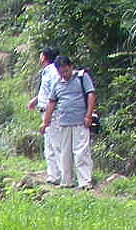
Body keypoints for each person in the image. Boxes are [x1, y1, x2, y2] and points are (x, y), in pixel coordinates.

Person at [40, 55, 96, 191]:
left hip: (80, 122)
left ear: (71, 67)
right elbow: (51, 103)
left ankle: (85, 181)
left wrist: (88, 115)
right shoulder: (57, 83)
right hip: (63, 123)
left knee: (81, 151)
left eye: (66, 71)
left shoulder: (82, 77)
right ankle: (67, 181)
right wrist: (45, 122)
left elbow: (91, 95)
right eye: (61, 72)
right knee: (64, 153)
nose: (64, 74)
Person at [31, 48, 62, 183]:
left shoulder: (52, 72)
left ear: (43, 57)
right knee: (49, 144)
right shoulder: (48, 72)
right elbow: (47, 91)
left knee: (55, 144)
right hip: (46, 111)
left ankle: (61, 175)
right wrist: (36, 100)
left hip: (52, 112)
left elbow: (54, 93)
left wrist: (48, 116)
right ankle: (53, 175)